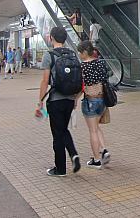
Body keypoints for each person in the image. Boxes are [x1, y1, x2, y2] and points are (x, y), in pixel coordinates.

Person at [35, 27, 80, 177]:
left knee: (57, 134)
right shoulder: (72, 54)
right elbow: (78, 78)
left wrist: (40, 102)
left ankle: (60, 169)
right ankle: (73, 154)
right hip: (69, 100)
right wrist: (75, 98)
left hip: (55, 100)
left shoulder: (49, 55)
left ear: (51, 38)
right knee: (63, 129)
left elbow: (45, 81)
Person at [76, 40, 111, 169]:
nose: (79, 55)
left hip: (90, 100)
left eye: (80, 52)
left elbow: (81, 86)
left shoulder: (82, 66)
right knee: (96, 128)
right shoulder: (101, 63)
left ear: (85, 52)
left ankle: (96, 160)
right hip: (102, 100)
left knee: (92, 131)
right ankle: (104, 150)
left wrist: (75, 99)